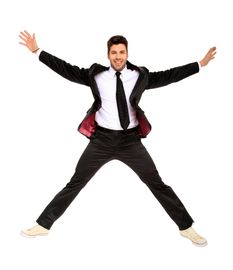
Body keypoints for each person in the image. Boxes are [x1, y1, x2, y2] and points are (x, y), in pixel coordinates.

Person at [19, 30, 216, 246]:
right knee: (76, 182)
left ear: (127, 53)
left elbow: (168, 76)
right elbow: (66, 69)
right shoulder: (96, 75)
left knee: (157, 183)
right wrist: (38, 52)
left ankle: (186, 227)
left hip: (130, 141)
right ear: (108, 55)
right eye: (114, 52)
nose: (118, 56)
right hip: (101, 141)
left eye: (122, 52)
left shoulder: (139, 75)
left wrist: (200, 64)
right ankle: (44, 225)